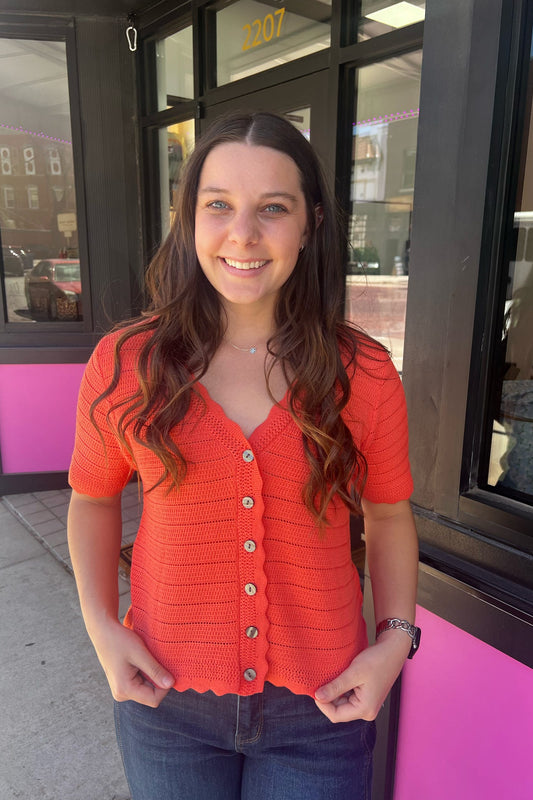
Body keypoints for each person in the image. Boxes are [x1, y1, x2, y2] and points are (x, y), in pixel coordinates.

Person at [67, 111, 419, 800]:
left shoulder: (363, 372)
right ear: (189, 218)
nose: (243, 234)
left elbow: (389, 515)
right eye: (219, 205)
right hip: (165, 703)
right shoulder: (127, 363)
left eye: (273, 209)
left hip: (323, 706)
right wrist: (101, 625)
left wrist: (394, 642)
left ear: (312, 221)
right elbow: (91, 496)